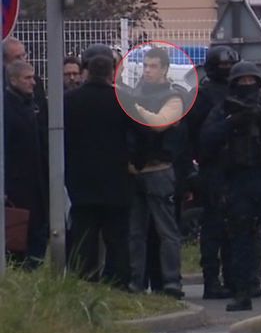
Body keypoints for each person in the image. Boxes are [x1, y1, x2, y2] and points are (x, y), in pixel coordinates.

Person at [199, 61, 261, 311]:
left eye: (250, 81)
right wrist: (234, 122)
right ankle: (241, 291)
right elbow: (207, 140)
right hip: (238, 179)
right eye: (241, 82)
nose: (246, 85)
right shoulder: (224, 110)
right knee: (239, 239)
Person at [64, 44, 132, 287]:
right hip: (117, 180)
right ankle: (118, 282)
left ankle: (83, 279)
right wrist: (136, 164)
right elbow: (139, 136)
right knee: (117, 238)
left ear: (87, 72)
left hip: (80, 180)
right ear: (110, 73)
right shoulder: (122, 101)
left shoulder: (69, 100)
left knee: (83, 234)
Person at [127, 48, 188, 299]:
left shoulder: (174, 96)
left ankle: (171, 281)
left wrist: (134, 107)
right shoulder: (135, 94)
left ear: (164, 68)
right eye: (146, 66)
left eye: (153, 66)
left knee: (166, 230)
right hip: (134, 170)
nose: (148, 71)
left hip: (159, 170)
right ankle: (135, 282)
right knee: (135, 232)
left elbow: (159, 123)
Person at [187, 45, 240, 299]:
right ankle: (212, 279)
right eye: (223, 66)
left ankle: (231, 277)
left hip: (233, 165)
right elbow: (195, 132)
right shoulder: (203, 94)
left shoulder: (236, 91)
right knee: (214, 226)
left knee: (232, 225)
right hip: (213, 167)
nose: (227, 70)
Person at [4, 60, 48, 268]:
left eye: (33, 77)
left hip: (36, 182)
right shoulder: (7, 108)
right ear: (13, 80)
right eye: (27, 78)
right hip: (17, 185)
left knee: (37, 233)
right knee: (18, 234)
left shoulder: (32, 104)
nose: (33, 82)